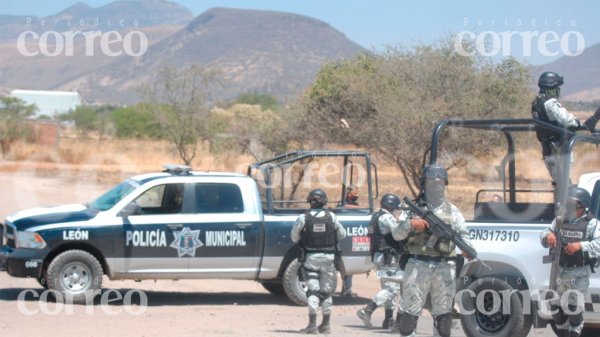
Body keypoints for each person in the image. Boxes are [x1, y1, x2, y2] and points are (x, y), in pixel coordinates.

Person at [395, 165, 474, 337]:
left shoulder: (452, 211)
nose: (437, 186)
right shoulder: (412, 209)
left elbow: (463, 234)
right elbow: (396, 234)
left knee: (444, 316)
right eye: (432, 183)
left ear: (445, 185)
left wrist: (466, 248)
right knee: (409, 315)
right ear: (424, 184)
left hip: (444, 268)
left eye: (440, 183)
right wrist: (409, 224)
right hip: (417, 265)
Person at [541, 187, 600, 337]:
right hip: (559, 270)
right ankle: (562, 331)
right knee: (554, 305)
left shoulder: (593, 224)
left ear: (583, 206)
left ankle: (574, 331)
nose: (569, 208)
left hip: (578, 273)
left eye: (573, 204)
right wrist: (547, 236)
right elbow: (545, 232)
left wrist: (580, 245)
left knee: (573, 307)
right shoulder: (560, 220)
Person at [291, 189, 346, 334]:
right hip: (329, 258)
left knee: (313, 291)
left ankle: (312, 325)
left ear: (310, 202)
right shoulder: (332, 217)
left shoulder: (304, 218)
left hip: (311, 259)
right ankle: (326, 325)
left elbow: (294, 238)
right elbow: (342, 234)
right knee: (327, 292)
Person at [531, 71, 594, 183]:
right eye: (557, 87)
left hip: (547, 149)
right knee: (564, 184)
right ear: (551, 87)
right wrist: (579, 124)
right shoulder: (550, 102)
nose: (558, 90)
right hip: (559, 149)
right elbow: (566, 119)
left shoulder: (536, 103)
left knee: (558, 182)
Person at [356, 193, 405, 330]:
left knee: (388, 287)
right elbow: (399, 233)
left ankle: (388, 320)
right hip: (390, 257)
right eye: (396, 208)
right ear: (390, 207)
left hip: (380, 256)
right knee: (392, 290)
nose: (397, 211)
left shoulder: (375, 216)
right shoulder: (387, 217)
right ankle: (368, 310)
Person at [340, 184, 360, 296]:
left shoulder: (355, 203)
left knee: (349, 266)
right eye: (354, 192)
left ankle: (347, 289)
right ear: (348, 193)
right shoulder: (343, 203)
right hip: (343, 236)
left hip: (349, 236)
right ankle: (346, 289)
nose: (356, 194)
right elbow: (345, 207)